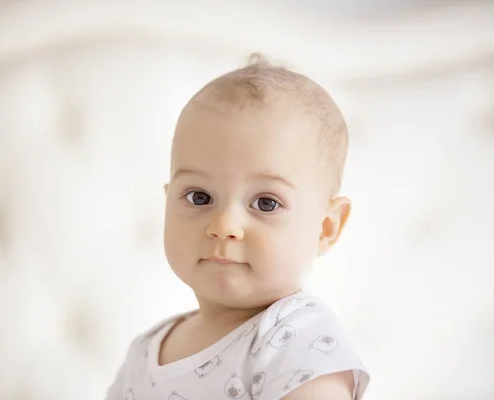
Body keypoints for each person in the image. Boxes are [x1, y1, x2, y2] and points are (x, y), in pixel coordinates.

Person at [105, 54, 370, 400]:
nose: (224, 226)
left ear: (325, 228)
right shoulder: (145, 351)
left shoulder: (298, 341)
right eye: (199, 197)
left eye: (266, 203)